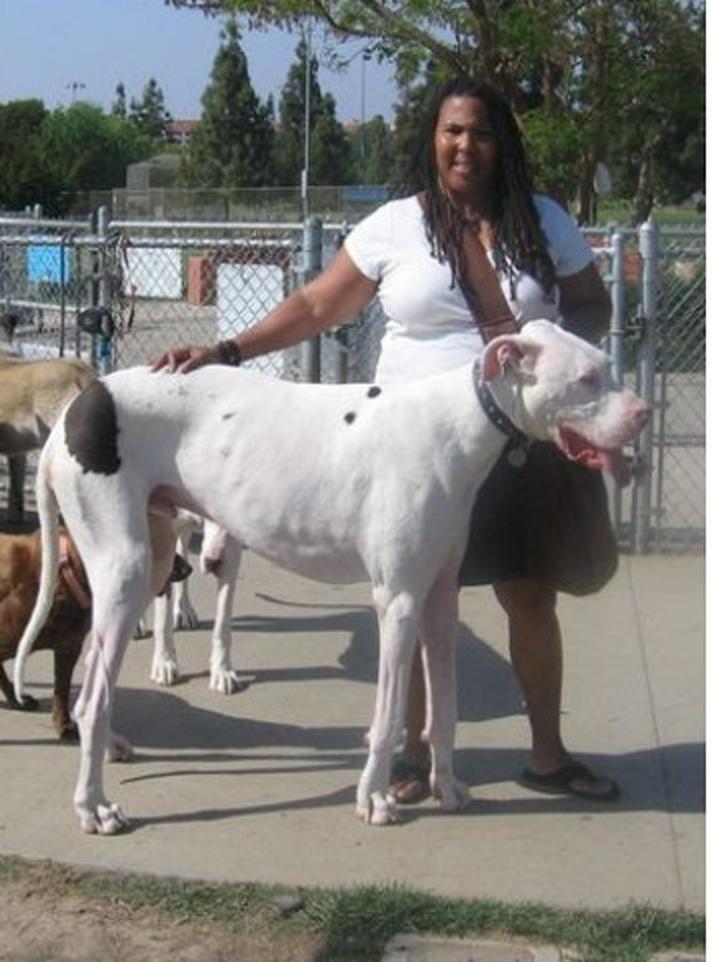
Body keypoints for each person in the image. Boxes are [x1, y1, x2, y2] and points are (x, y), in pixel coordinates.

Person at [152, 75, 618, 803]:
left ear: (502, 143)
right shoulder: (397, 225)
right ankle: (412, 754)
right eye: (452, 130)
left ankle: (549, 754)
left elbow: (591, 305)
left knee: (530, 598)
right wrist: (229, 350)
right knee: (416, 597)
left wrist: (553, 351)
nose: (465, 145)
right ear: (432, 139)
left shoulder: (544, 220)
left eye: (481, 132)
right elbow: (318, 305)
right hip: (415, 452)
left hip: (520, 441)